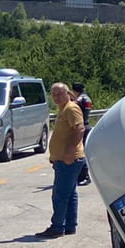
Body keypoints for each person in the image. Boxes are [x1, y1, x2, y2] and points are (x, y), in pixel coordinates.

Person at [37, 82, 86, 239]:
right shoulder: (63, 109)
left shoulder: (71, 108)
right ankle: (69, 226)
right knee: (69, 193)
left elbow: (80, 129)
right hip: (64, 160)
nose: (57, 97)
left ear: (67, 93)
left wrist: (69, 151)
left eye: (60, 94)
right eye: (54, 94)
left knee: (60, 195)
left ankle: (57, 227)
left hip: (69, 160)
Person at [72, 81, 92, 186]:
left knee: (79, 152)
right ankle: (84, 175)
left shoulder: (79, 99)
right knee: (82, 151)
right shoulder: (87, 98)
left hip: (80, 126)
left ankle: (84, 176)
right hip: (86, 124)